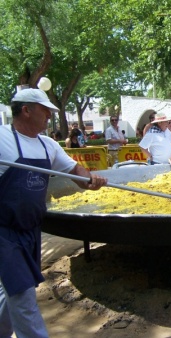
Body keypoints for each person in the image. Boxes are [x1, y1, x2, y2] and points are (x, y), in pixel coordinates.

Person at [0, 88, 107, 338]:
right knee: (23, 294)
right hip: (4, 232)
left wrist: (88, 179)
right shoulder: (1, 138)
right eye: (45, 111)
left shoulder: (47, 145)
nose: (49, 116)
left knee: (13, 292)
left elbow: (73, 169)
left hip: (30, 231)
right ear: (26, 110)